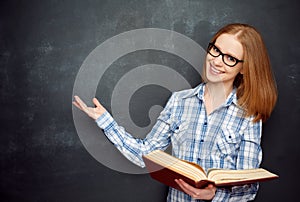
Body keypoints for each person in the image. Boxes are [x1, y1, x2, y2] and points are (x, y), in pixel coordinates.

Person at [73, 23, 277, 201]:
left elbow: (248, 187)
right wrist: (104, 120)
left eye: (230, 58)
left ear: (243, 68)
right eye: (215, 49)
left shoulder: (248, 116)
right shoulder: (179, 102)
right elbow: (145, 154)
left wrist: (214, 195)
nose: (216, 61)